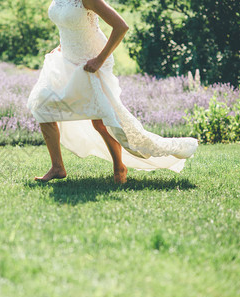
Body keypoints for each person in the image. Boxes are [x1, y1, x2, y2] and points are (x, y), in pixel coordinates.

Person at [26, 0, 198, 184]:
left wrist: (99, 60)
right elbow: (67, 24)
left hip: (90, 62)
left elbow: (121, 27)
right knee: (42, 106)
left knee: (100, 121)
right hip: (66, 60)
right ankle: (57, 167)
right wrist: (62, 47)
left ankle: (119, 166)